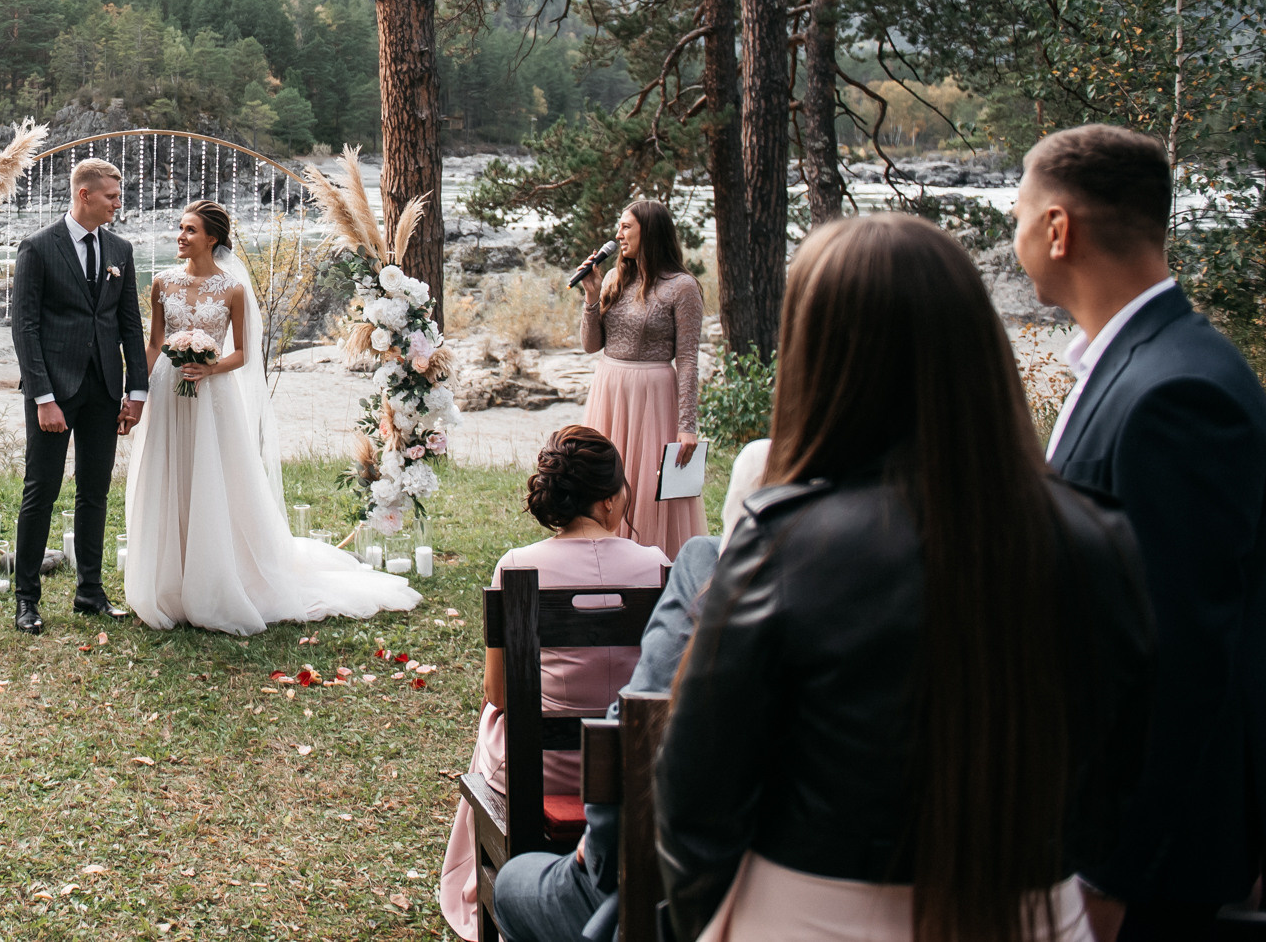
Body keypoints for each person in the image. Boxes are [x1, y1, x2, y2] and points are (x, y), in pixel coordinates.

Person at [657, 214, 1153, 942]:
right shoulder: (1099, 538)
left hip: (808, 916)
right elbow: (1124, 769)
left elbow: (698, 794)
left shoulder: (783, 544)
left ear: (818, 357)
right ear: (977, 346)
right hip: (1034, 913)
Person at [1019, 123, 1266, 936]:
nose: (1014, 237)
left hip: (1144, 864)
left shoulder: (1177, 392)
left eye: (1018, 215)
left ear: (1059, 228)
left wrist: (1111, 872)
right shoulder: (1138, 363)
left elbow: (1180, 655)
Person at [121, 201, 418, 633]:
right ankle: (166, 585)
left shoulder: (232, 290)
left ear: (212, 238)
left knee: (212, 476)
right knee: (167, 475)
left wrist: (209, 368)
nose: (180, 236)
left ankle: (215, 580)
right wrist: (136, 393)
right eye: (180, 228)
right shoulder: (163, 283)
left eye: (190, 230)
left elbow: (243, 353)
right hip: (169, 389)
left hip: (211, 393)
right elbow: (154, 343)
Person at [437, 426, 668, 938]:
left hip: (542, 773)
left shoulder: (517, 566)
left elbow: (498, 693)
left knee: (495, 717)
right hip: (630, 769)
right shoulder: (656, 566)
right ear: (608, 500)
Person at [8, 156, 151, 633]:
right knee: (41, 491)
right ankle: (27, 599)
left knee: (95, 491)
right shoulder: (37, 247)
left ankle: (90, 591)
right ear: (84, 195)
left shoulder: (120, 250)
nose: (118, 203)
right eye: (112, 196)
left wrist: (136, 391)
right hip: (55, 391)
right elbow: (25, 328)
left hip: (105, 389)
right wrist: (43, 397)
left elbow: (129, 325)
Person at [577, 199, 705, 555]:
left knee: (648, 485)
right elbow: (591, 345)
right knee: (602, 479)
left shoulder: (682, 287)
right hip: (609, 388)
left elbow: (688, 359)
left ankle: (650, 560)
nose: (618, 235)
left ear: (649, 231)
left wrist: (688, 425)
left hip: (653, 394)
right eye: (619, 227)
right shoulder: (615, 278)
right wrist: (591, 296)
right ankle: (604, 557)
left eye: (626, 227)